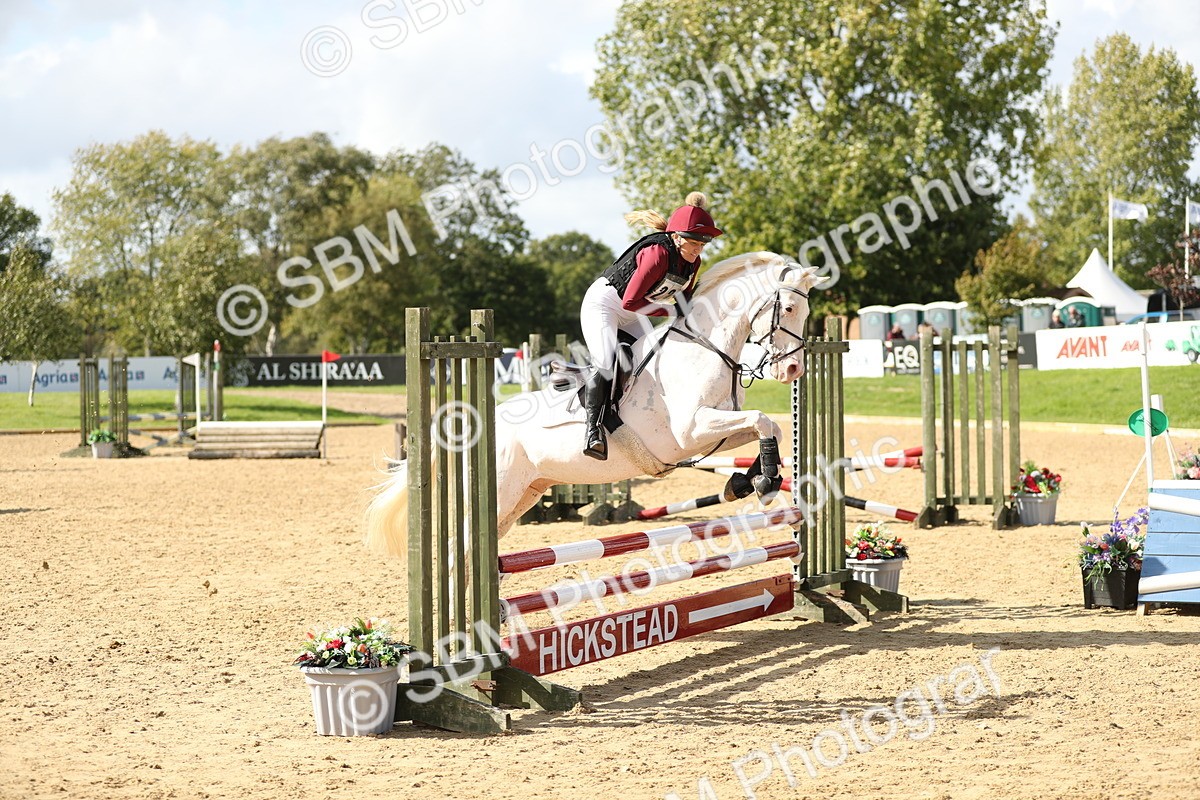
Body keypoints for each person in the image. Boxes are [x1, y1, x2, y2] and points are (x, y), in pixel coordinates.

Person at [578, 191, 723, 460]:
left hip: (634, 311)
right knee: (608, 362)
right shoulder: (656, 253)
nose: (698, 249)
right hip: (606, 304)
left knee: (655, 360)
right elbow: (631, 300)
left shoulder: (694, 262)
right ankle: (592, 431)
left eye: (703, 244)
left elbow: (684, 300)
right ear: (677, 237)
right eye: (693, 242)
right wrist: (669, 309)